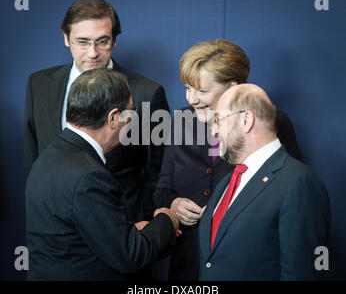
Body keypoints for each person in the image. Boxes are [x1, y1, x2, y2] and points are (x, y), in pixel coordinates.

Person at [153, 39, 302, 280]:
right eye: (187, 88)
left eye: (202, 90)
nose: (191, 99)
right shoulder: (180, 121)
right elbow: (162, 189)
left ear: (232, 87)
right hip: (188, 264)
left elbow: (290, 194)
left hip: (246, 264)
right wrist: (174, 204)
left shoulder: (272, 122)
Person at [24, 0, 170, 222]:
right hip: (53, 226)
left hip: (121, 227)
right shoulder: (39, 85)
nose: (92, 53)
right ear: (66, 38)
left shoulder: (146, 93)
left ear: (114, 40)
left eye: (102, 41)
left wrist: (147, 224)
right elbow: (34, 156)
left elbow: (158, 170)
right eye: (82, 42)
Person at [25, 68, 179, 281]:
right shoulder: (89, 176)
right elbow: (131, 256)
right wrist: (166, 220)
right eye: (130, 112)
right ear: (113, 118)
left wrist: (128, 232)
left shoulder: (52, 155)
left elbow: (76, 235)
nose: (132, 120)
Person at [198, 84, 330, 280]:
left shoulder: (300, 183)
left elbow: (304, 273)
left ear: (246, 120)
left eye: (218, 121)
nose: (214, 132)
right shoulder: (227, 182)